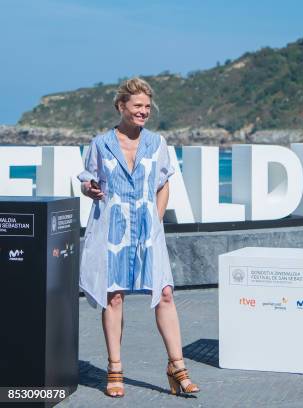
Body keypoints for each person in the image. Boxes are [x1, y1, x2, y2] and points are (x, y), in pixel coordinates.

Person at [78, 78, 200, 398]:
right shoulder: (100, 144)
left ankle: (177, 367)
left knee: (165, 294)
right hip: (113, 230)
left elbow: (163, 184)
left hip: (148, 232)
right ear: (121, 107)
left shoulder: (157, 144)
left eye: (147, 107)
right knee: (114, 296)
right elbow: (87, 181)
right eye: (137, 106)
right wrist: (89, 189)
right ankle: (115, 368)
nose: (143, 112)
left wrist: (157, 219)